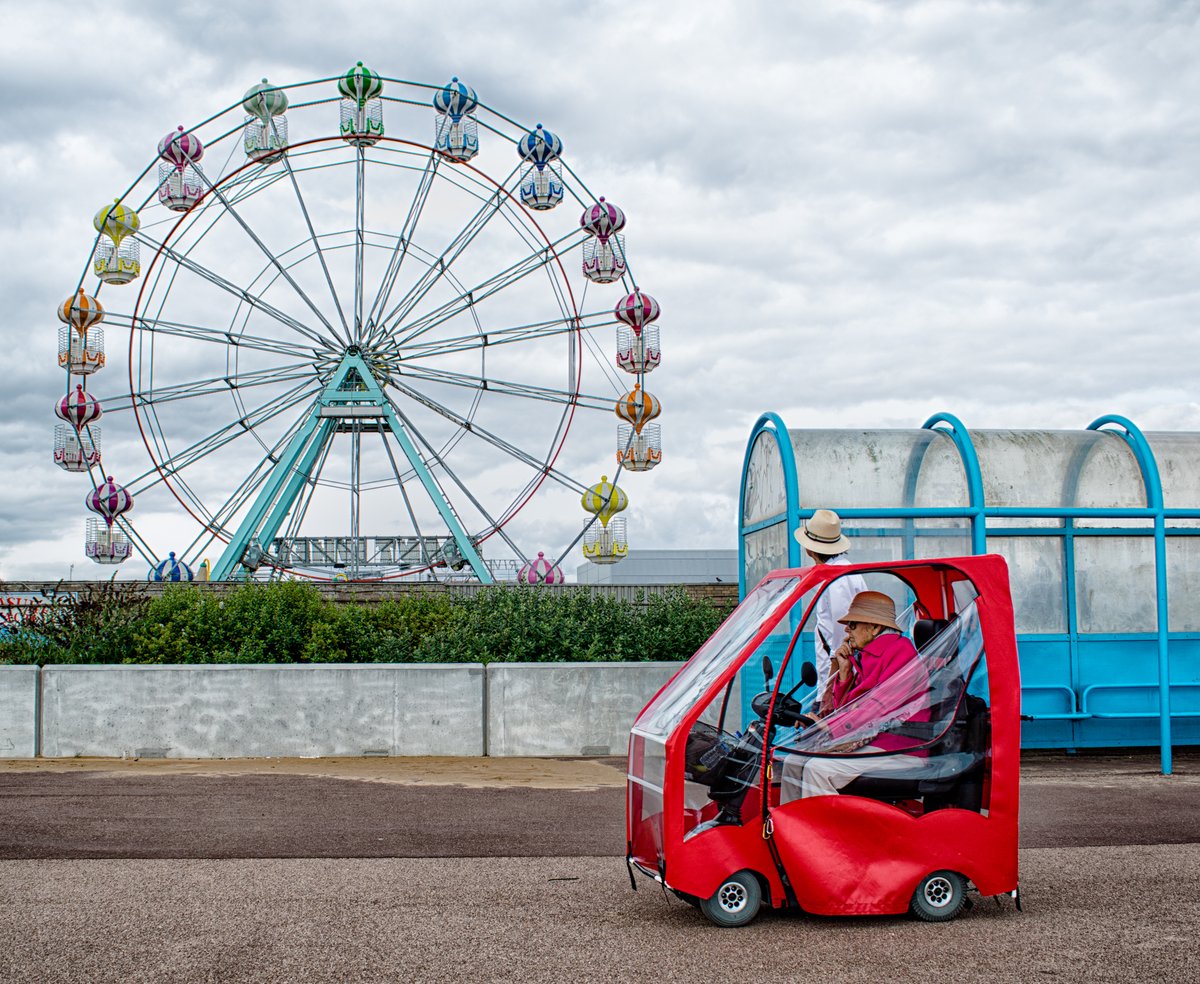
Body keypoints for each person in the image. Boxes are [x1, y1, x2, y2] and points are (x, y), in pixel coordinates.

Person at [779, 590, 930, 802]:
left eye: (853, 624)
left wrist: (832, 727)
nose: (847, 630)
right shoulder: (866, 657)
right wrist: (844, 672)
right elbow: (848, 708)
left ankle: (820, 834)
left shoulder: (901, 652)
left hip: (899, 747)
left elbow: (877, 709)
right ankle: (789, 828)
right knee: (794, 761)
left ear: (874, 627)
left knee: (819, 769)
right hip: (874, 741)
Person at [794, 509, 867, 709]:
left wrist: (828, 691)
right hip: (839, 678)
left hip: (837, 682)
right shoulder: (844, 571)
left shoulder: (837, 580)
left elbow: (841, 639)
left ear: (810, 549)